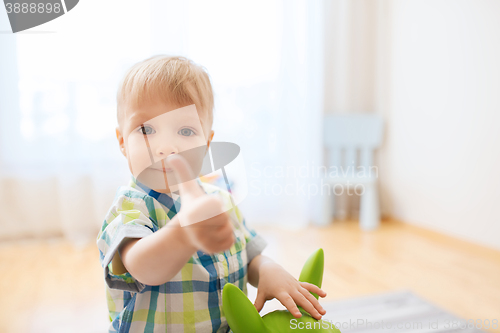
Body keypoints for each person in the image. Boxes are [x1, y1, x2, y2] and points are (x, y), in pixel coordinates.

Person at [96, 55, 327, 332]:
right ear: (122, 141)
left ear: (206, 144)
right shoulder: (130, 207)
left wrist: (266, 269)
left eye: (185, 130)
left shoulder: (222, 202)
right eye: (146, 129)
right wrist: (183, 233)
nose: (166, 147)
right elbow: (142, 266)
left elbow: (248, 254)